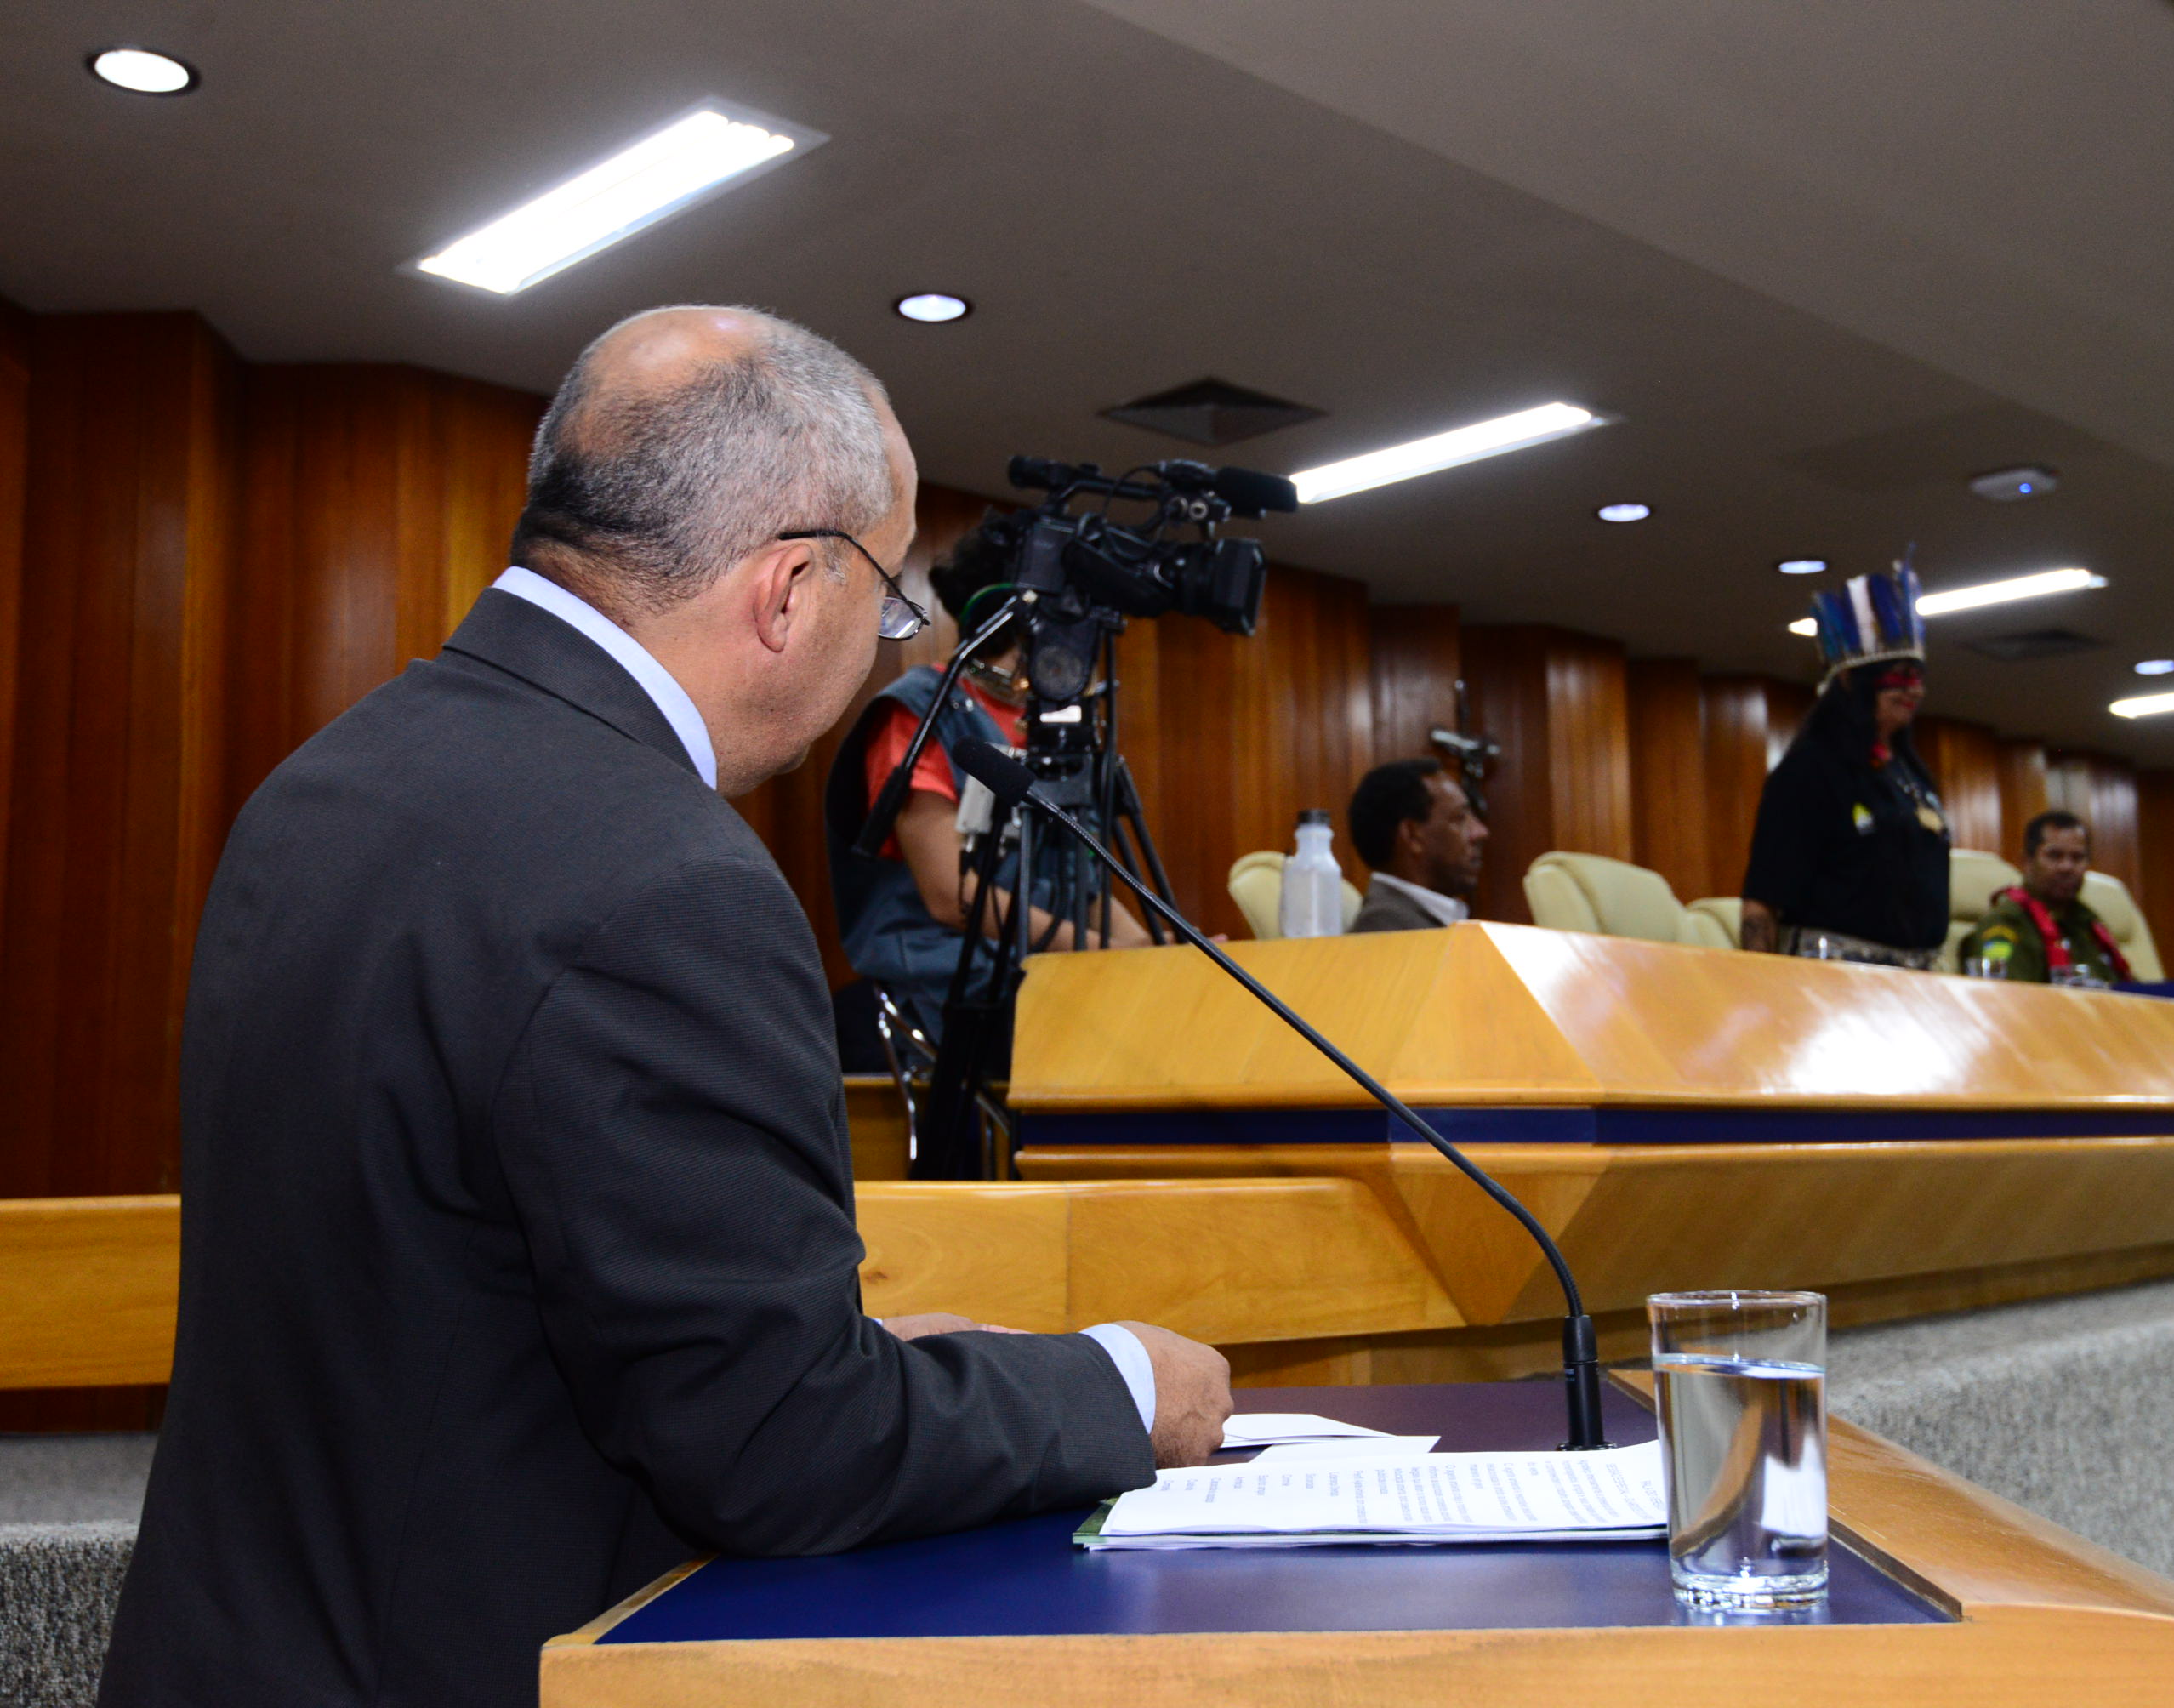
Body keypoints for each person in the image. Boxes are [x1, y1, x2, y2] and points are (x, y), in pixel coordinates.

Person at [100, 307, 1230, 1708]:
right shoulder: (669, 878)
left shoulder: (321, 782)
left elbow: (436, 1274)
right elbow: (782, 1450)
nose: (883, 648)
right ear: (788, 591)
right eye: (885, 604)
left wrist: (820, 1357)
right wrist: (1117, 1386)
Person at [826, 510, 1143, 1040]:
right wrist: (1105, 955)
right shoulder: (921, 712)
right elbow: (951, 895)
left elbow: (1081, 889)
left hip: (1049, 970)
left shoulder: (1055, 729)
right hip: (950, 982)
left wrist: (1153, 950)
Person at [1740, 565, 1950, 967]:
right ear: (1855, 683)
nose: (1915, 690)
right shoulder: (1809, 770)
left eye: (1919, 678)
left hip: (1918, 977)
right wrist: (1760, 979)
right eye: (1899, 677)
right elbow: (1763, 898)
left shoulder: (1911, 776)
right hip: (1833, 972)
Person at [1958, 810, 2132, 986]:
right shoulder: (2006, 924)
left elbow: (2127, 989)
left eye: (2077, 857)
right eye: (2054, 856)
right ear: (2027, 861)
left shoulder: (2088, 922)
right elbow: (2005, 993)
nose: (2067, 867)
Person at [1346, 757, 1488, 931]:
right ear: (1413, 835)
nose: (1481, 832)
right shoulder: (1388, 930)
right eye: (1460, 818)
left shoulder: (1413, 922)